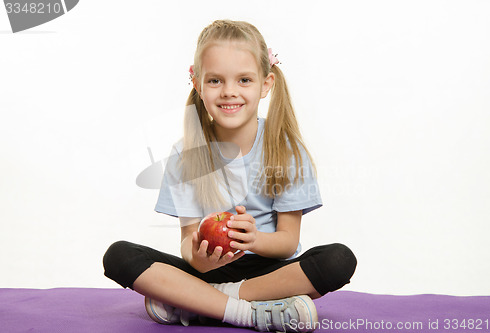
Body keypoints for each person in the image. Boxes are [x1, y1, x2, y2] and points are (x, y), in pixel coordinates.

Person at [103, 19, 357, 332]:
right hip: (206, 269)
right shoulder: (185, 155)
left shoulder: (286, 150)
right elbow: (186, 241)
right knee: (119, 257)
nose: (229, 92)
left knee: (337, 260)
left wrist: (255, 239)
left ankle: (199, 302)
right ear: (197, 83)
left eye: (244, 80)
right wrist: (198, 259)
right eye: (215, 81)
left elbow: (288, 242)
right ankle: (247, 313)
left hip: (268, 274)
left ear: (266, 84)